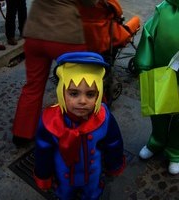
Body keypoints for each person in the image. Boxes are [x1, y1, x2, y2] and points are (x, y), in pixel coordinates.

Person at [34, 51, 125, 200]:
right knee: (65, 195)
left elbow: (113, 143)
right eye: (74, 93)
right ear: (62, 92)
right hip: (63, 175)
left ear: (98, 94)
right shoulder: (49, 121)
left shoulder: (104, 117)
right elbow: (43, 152)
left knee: (91, 195)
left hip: (93, 175)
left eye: (90, 94)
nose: (82, 101)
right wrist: (44, 175)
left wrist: (113, 165)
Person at [12, 0, 99, 146]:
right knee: (81, 84)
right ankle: (84, 130)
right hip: (66, 34)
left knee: (33, 86)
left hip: (36, 32)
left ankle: (21, 134)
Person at [134, 0, 179, 175]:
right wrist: (144, 61)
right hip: (160, 74)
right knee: (158, 111)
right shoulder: (164, 9)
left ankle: (175, 150)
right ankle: (157, 140)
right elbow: (148, 33)